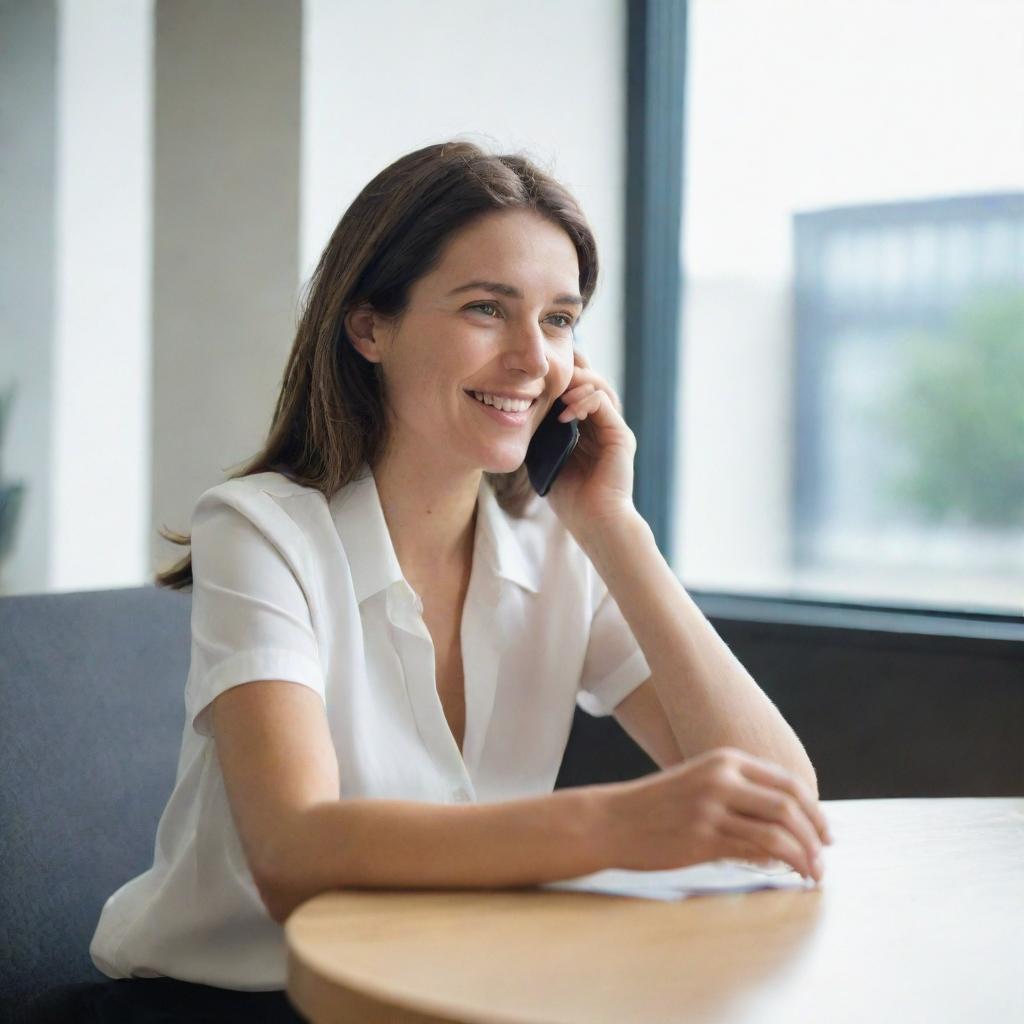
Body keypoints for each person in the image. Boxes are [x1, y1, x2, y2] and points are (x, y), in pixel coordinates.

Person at [76, 140, 830, 1021]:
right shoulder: (262, 530)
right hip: (231, 1001)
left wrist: (614, 530)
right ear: (369, 326)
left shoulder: (560, 549)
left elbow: (781, 812)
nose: (533, 359)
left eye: (558, 320)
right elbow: (294, 854)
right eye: (487, 309)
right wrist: (615, 827)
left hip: (451, 988)